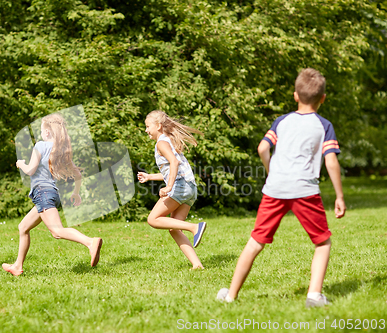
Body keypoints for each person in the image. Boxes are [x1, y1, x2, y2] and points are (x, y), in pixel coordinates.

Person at [216, 68, 346, 307]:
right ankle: (314, 296)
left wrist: (271, 171)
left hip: (275, 188)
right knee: (322, 242)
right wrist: (339, 195)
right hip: (305, 190)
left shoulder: (281, 121)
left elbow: (262, 149)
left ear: (295, 95)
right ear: (323, 98)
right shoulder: (323, 125)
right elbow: (330, 160)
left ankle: (231, 296)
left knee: (256, 241)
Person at [2, 114, 102, 276]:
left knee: (57, 231)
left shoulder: (40, 146)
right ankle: (17, 266)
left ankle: (90, 242)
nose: (40, 134)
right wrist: (76, 193)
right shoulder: (61, 151)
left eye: (41, 131)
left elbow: (30, 170)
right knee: (23, 227)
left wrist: (21, 164)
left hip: (42, 193)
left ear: (47, 132)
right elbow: (77, 174)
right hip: (52, 194)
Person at [137, 110, 206, 270]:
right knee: (174, 228)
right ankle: (197, 264)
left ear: (158, 126)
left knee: (152, 219)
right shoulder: (167, 141)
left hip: (180, 187)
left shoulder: (161, 143)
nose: (146, 130)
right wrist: (149, 177)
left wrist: (169, 187)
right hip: (189, 188)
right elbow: (170, 171)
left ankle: (194, 227)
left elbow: (174, 163)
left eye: (148, 126)